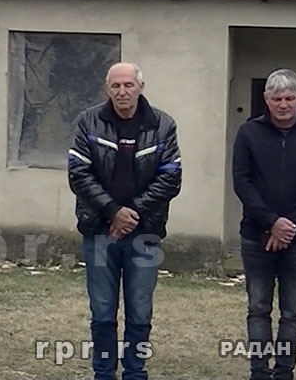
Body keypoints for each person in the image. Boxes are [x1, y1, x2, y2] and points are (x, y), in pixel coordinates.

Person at [67, 62, 181, 380]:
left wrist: (131, 214)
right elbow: (78, 173)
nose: (122, 92)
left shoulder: (163, 125)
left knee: (140, 312)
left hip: (144, 234)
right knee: (103, 311)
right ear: (107, 89)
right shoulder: (88, 121)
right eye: (116, 86)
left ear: (140, 87)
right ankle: (104, 372)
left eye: (128, 85)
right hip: (100, 232)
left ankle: (135, 371)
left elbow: (171, 178)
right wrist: (112, 211)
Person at [232, 68, 296, 380]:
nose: (283, 105)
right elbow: (242, 182)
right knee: (258, 308)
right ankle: (259, 371)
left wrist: (288, 226)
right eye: (277, 99)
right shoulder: (248, 133)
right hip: (255, 235)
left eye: (289, 98)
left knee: (292, 311)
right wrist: (271, 222)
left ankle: (284, 371)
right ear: (266, 99)